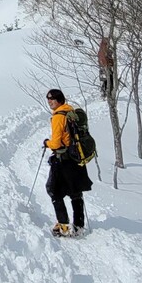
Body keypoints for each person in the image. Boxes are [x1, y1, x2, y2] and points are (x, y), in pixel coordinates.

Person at [43, 87, 92, 236]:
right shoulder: (70, 111)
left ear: (59, 100)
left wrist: (47, 143)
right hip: (76, 157)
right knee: (75, 192)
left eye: (52, 99)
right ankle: (78, 225)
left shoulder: (58, 116)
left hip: (63, 159)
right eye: (48, 99)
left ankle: (63, 225)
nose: (50, 102)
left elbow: (57, 143)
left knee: (53, 190)